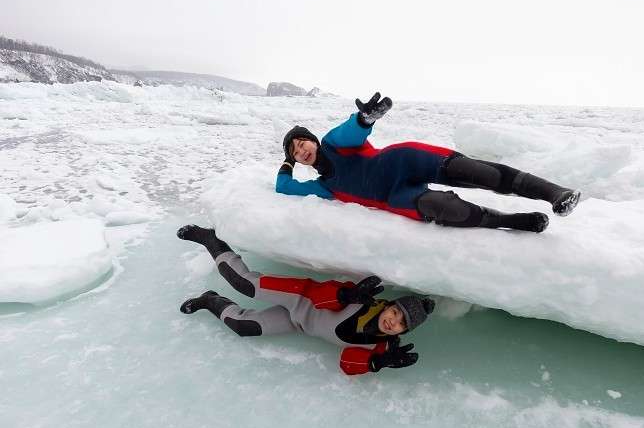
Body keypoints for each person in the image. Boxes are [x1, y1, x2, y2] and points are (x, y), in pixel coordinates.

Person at [275, 92, 581, 233]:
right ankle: (511, 221)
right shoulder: (322, 188)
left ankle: (557, 193)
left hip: (402, 161)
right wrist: (286, 164)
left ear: (312, 140)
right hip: (395, 197)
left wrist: (364, 118)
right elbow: (283, 186)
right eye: (296, 152)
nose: (301, 151)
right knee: (451, 210)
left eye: (302, 143)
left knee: (478, 172)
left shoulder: (332, 143)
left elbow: (351, 130)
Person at [177, 224, 434, 375]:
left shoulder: (379, 347)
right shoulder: (365, 299)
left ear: (404, 331)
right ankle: (211, 238)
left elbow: (346, 363)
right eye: (396, 313)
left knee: (243, 326)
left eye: (402, 324)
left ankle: (209, 300)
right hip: (300, 295)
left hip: (298, 323)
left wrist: (377, 362)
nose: (393, 321)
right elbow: (321, 296)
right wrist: (345, 294)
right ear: (389, 305)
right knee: (245, 284)